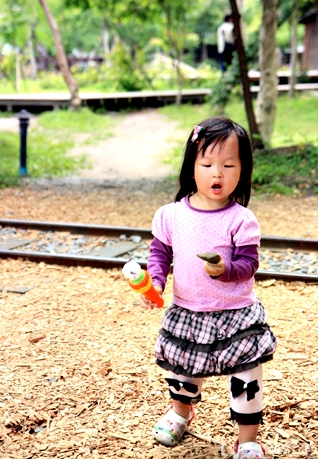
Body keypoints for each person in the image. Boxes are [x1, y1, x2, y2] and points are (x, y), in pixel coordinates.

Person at [140, 117, 277, 459]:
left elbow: (249, 265)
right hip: (188, 310)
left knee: (247, 376)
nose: (218, 173)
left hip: (236, 314)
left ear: (242, 171)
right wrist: (155, 281)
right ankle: (180, 413)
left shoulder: (241, 219)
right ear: (192, 167)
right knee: (182, 370)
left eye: (229, 165)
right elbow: (159, 253)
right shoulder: (171, 215)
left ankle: (247, 439)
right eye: (208, 164)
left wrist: (225, 269)